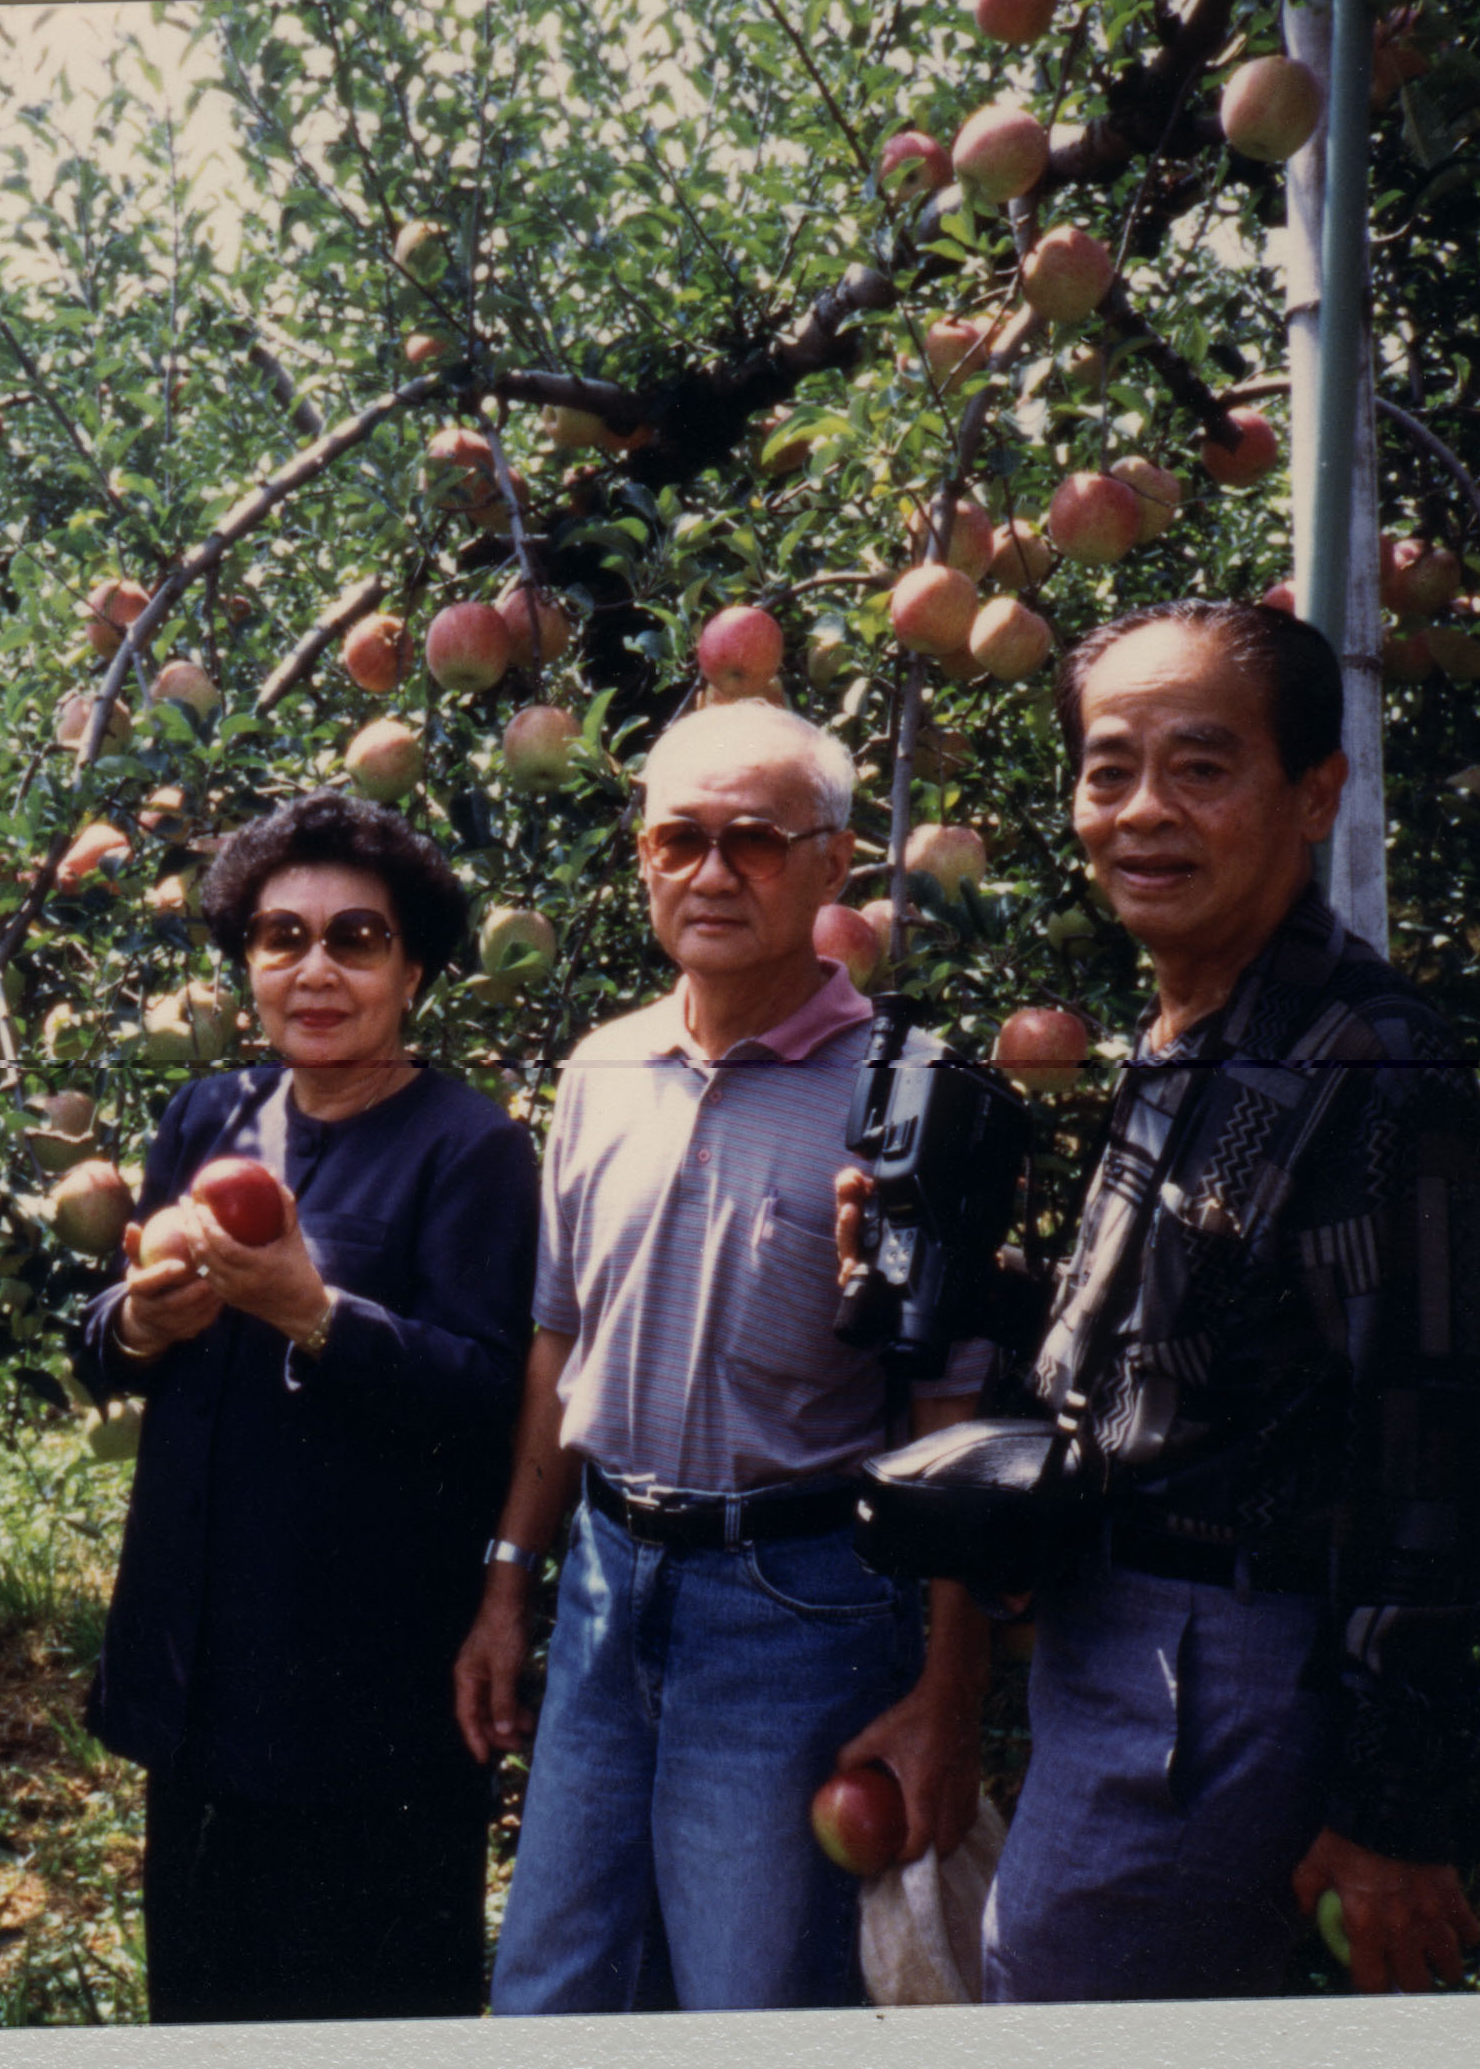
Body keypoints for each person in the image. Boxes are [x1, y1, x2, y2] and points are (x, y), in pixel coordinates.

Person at [912, 600, 1480, 2000]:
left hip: (1217, 1659)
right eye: (1109, 769)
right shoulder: (1197, 1030)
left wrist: (1389, 1805)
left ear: (1315, 794)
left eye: (1201, 766)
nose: (1143, 811)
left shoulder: (1368, 1065)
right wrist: (962, 1274)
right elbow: (1189, 1345)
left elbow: (1423, 1445)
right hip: (1117, 1629)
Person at [457, 701, 993, 2015]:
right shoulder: (602, 1068)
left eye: (752, 840)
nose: (710, 872)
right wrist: (512, 1578)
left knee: (750, 2000)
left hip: (796, 1602)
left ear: (834, 862)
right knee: (550, 1991)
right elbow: (559, 1343)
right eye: (676, 839)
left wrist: (951, 1686)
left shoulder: (910, 1093)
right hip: (607, 1582)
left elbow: (953, 1416)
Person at [72, 789, 541, 2023]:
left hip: (366, 1699)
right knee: (204, 2003)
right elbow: (108, 1336)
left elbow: (490, 1396)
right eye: (282, 937)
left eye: (356, 938)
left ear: (415, 968)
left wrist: (314, 1313)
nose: (315, 969)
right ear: (248, 962)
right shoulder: (207, 1115)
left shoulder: (470, 1148)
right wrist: (140, 1322)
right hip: (203, 1680)